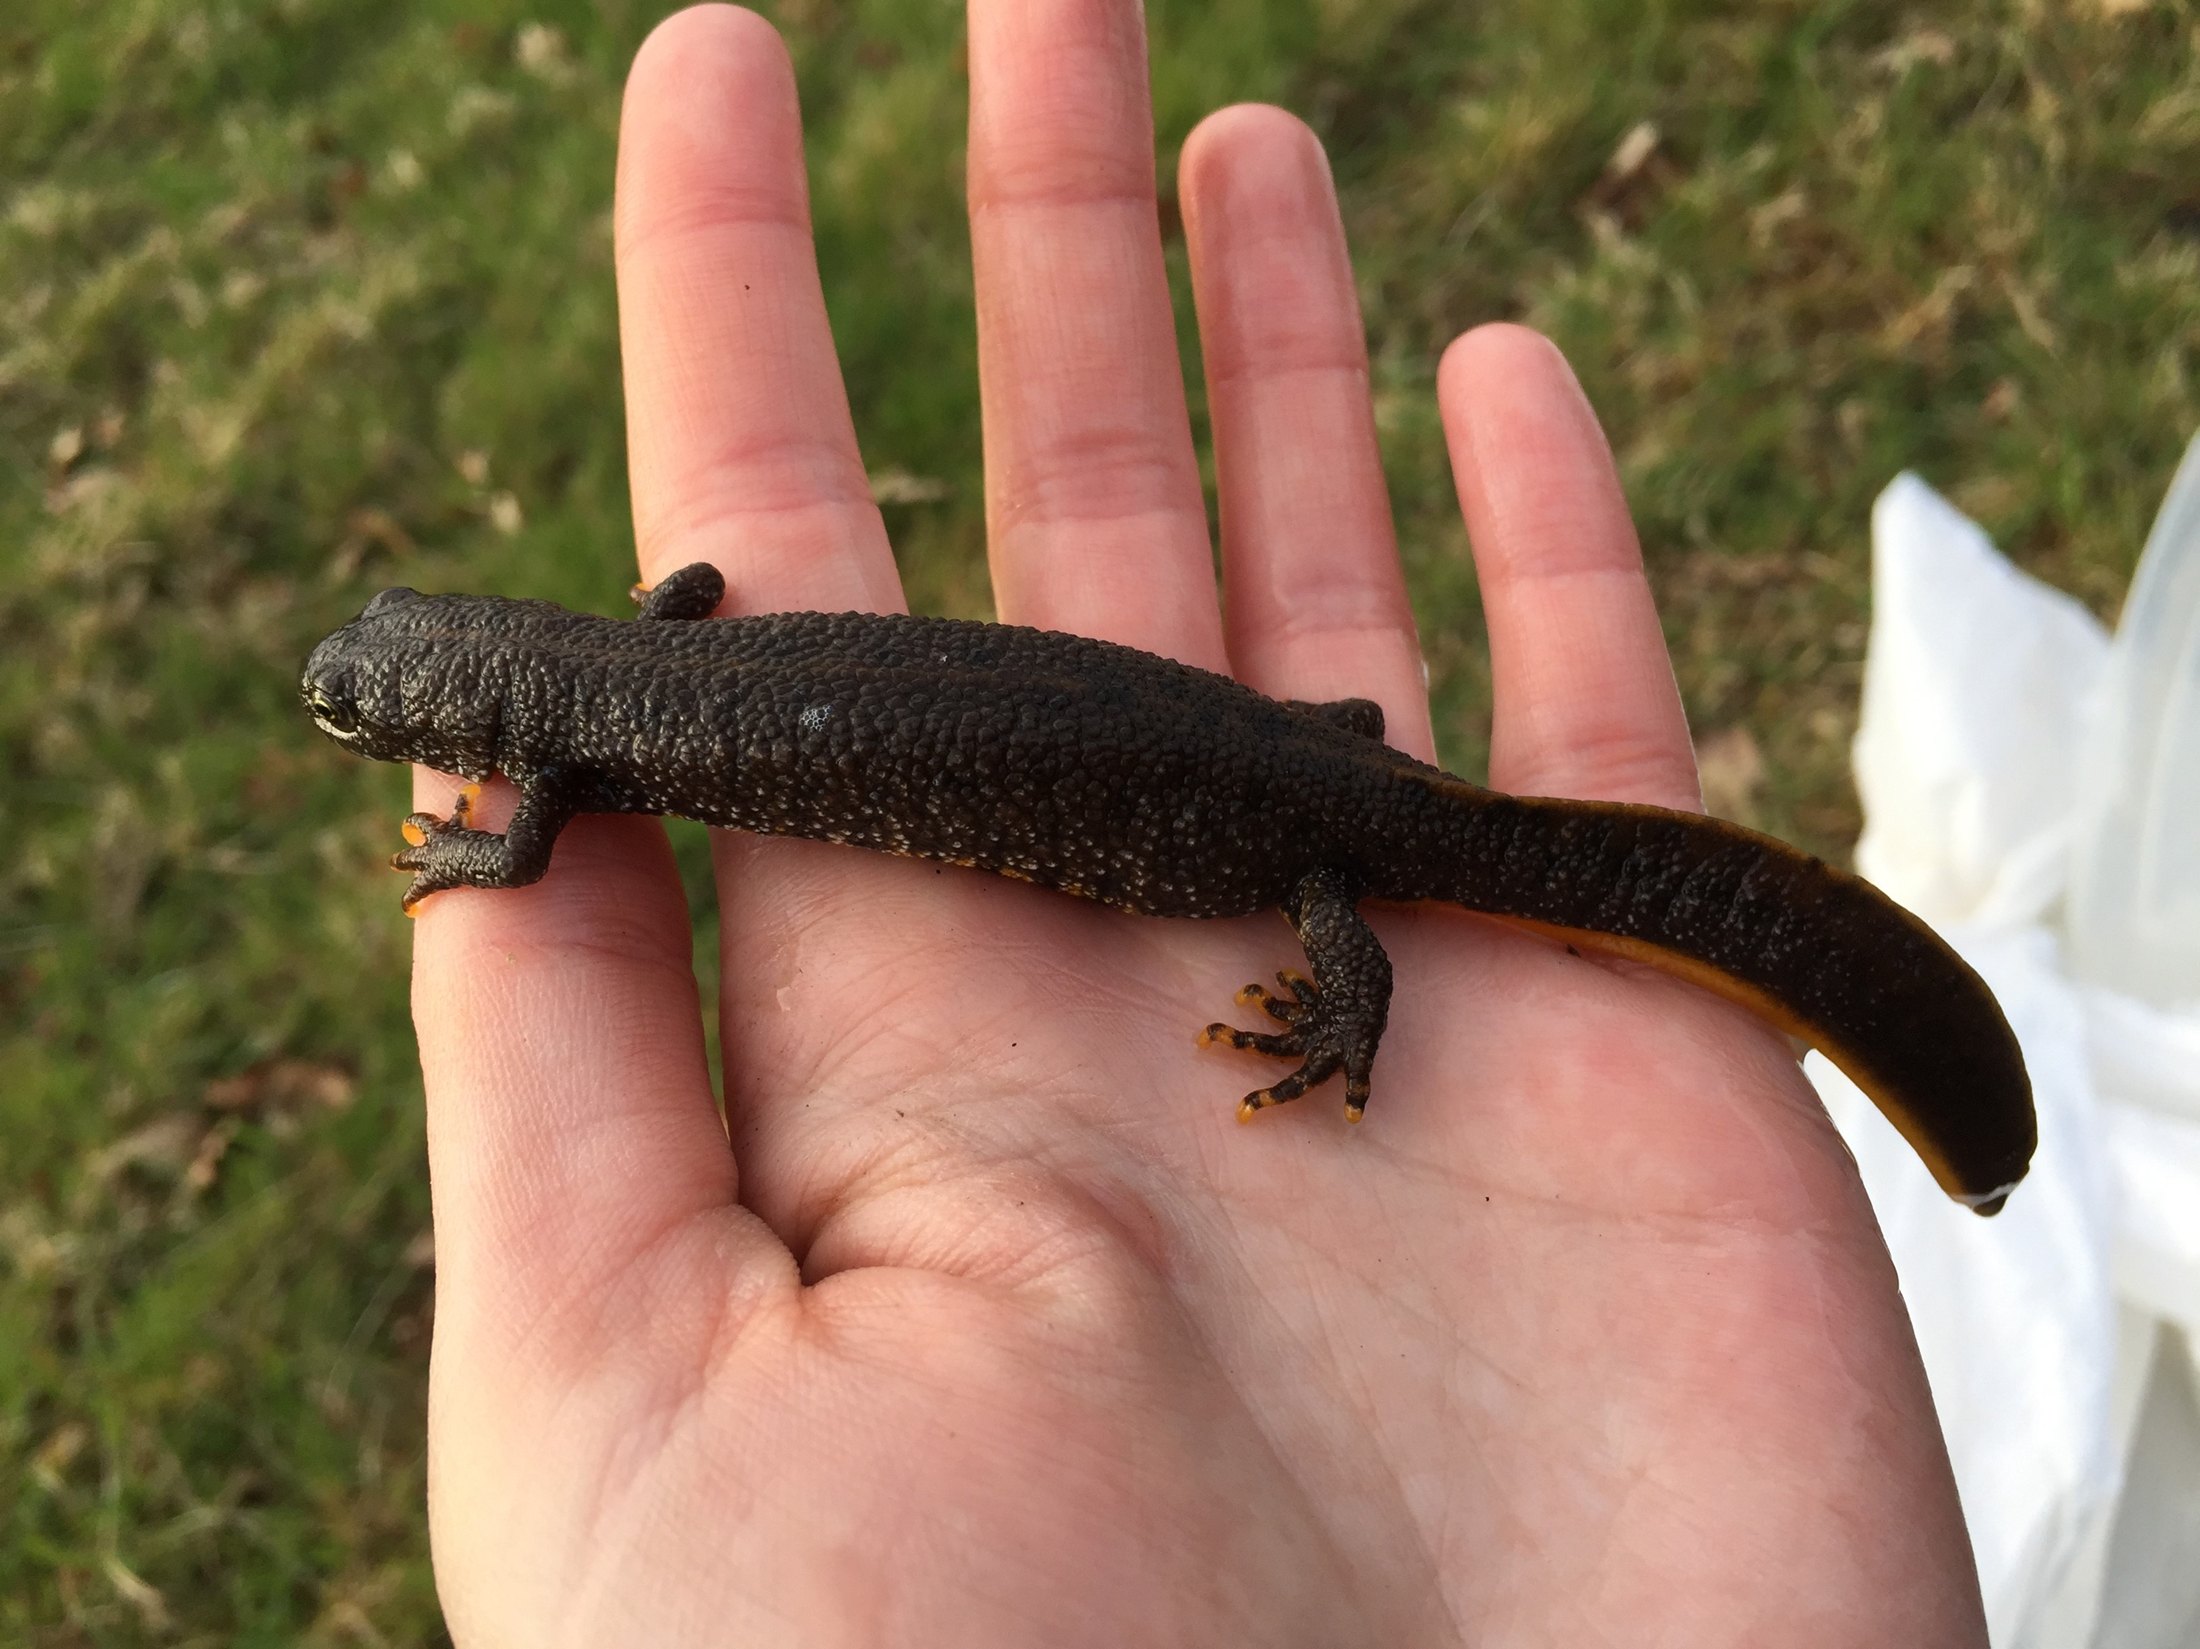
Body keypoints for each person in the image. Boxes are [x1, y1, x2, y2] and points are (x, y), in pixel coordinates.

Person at [407, 4, 1988, 1642]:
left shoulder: (558, 761)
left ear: (475, 713)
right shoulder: (605, 668)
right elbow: (697, 589)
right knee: (1357, 818)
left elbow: (537, 816)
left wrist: (470, 856)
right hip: (1259, 760)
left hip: (1269, 811)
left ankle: (1354, 1019)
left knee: (1387, 861)